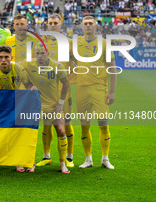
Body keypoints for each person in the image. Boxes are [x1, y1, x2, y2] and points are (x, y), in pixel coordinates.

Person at [75, 16, 117, 170]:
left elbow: (112, 69)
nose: (87, 26)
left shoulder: (104, 44)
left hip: (99, 89)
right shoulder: (75, 43)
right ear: (81, 26)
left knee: (103, 125)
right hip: (82, 89)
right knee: (84, 126)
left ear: (95, 26)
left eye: (90, 24)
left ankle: (105, 159)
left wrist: (111, 92)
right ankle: (88, 159)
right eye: (85, 24)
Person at [22, 44, 70, 174]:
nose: (40, 56)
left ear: (47, 53)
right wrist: (29, 85)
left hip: (53, 106)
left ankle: (62, 163)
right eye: (37, 53)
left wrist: (60, 103)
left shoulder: (57, 66)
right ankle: (30, 163)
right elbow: (14, 66)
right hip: (35, 106)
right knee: (30, 134)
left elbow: (66, 83)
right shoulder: (29, 64)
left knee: (61, 131)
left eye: (42, 53)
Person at [0, 45, 33, 172]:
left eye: (6, 57)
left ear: (11, 58)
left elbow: (29, 86)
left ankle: (19, 162)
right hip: (1, 105)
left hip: (18, 104)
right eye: (1, 57)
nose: (4, 60)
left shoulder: (19, 69)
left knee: (18, 134)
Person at [36, 14, 75, 168]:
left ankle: (69, 158)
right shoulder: (40, 43)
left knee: (66, 123)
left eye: (55, 23)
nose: (52, 25)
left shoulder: (69, 43)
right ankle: (46, 156)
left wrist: (68, 79)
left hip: (63, 92)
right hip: (46, 92)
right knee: (46, 124)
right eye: (50, 23)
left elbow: (79, 65)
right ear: (47, 24)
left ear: (61, 24)